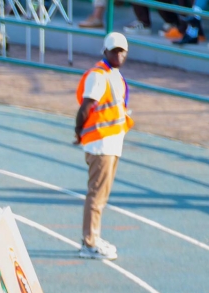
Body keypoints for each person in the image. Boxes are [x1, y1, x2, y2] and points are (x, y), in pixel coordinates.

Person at [75, 33, 132, 262]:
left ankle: (93, 238)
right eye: (114, 51)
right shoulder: (99, 76)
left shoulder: (113, 75)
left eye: (122, 51)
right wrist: (78, 131)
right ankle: (89, 242)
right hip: (101, 143)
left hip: (111, 142)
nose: (118, 55)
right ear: (105, 52)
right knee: (97, 195)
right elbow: (86, 106)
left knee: (101, 195)